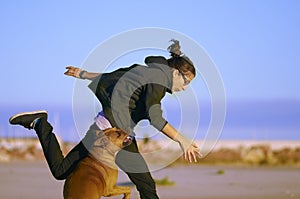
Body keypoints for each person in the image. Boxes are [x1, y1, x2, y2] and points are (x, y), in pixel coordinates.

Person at [9, 39, 201, 199]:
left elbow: (113, 77)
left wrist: (83, 74)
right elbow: (155, 117)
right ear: (176, 73)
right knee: (145, 185)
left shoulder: (147, 70)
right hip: (111, 134)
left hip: (111, 133)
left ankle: (41, 123)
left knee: (63, 171)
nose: (185, 88)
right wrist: (182, 140)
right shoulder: (158, 81)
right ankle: (41, 124)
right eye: (186, 82)